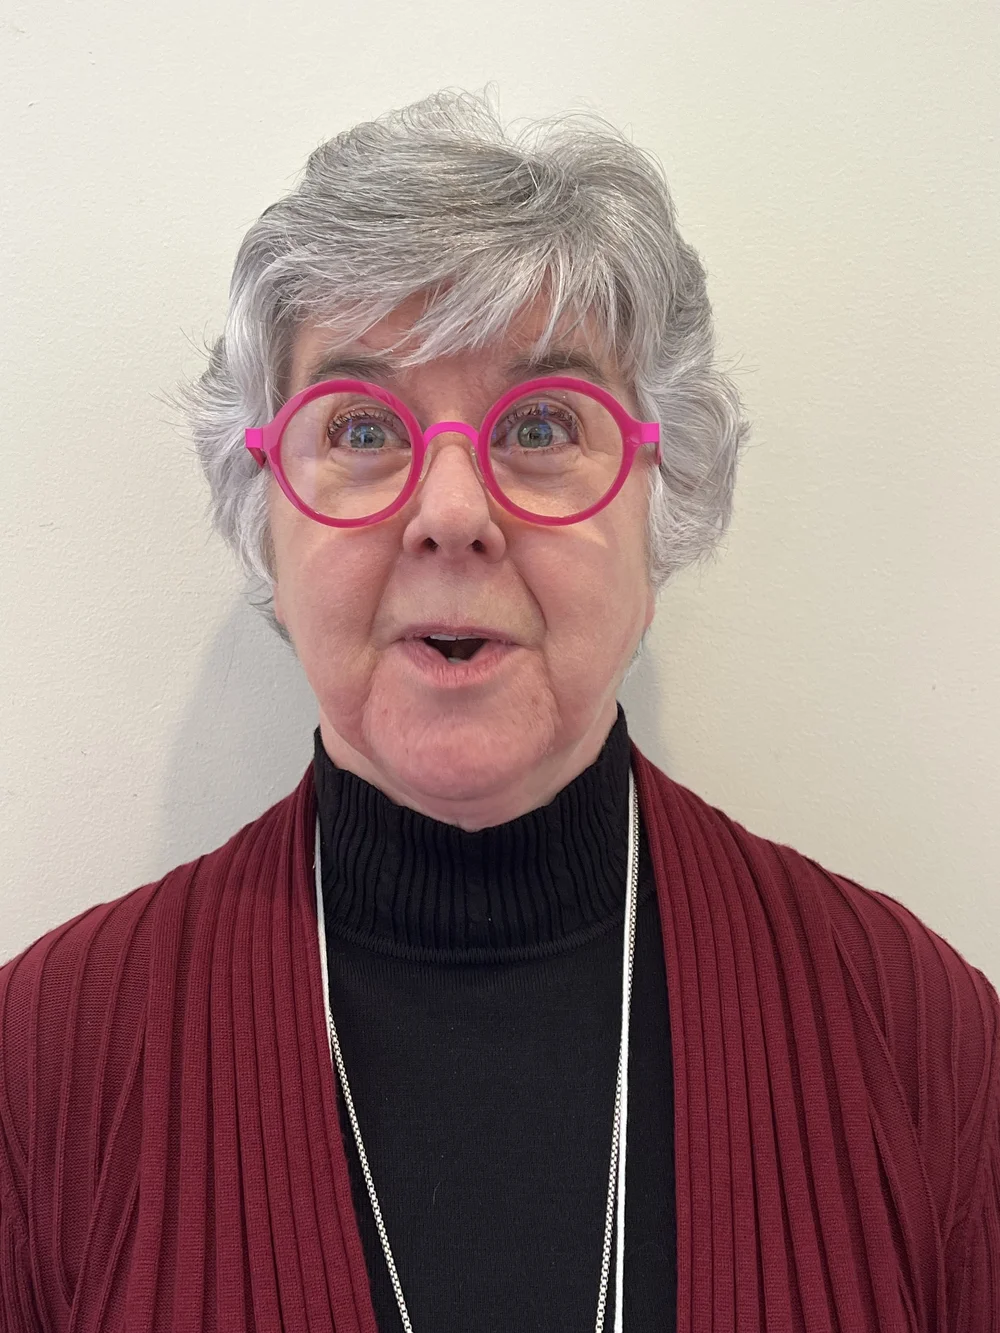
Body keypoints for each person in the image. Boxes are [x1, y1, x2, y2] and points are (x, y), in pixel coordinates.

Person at [1, 91, 997, 1333]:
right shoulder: (45, 1066)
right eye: (361, 428)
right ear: (264, 507)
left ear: (664, 488)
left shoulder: (920, 1039)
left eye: (539, 425)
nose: (451, 511)